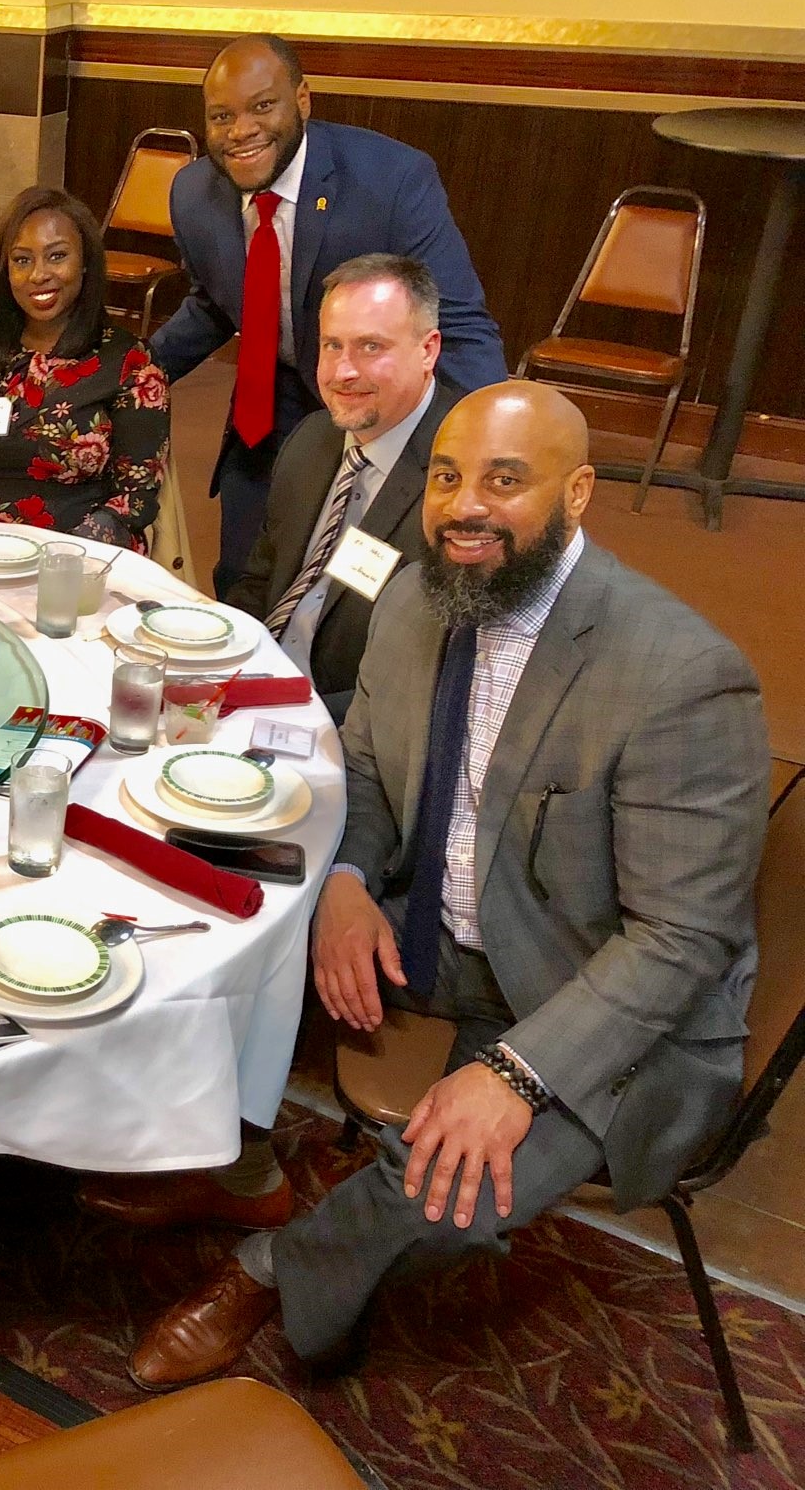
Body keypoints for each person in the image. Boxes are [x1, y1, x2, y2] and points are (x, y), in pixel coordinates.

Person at [125, 379, 768, 1393]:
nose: (463, 504)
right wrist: (339, 879)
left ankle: (266, 1270)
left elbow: (679, 942)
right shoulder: (422, 598)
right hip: (449, 926)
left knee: (442, 1184)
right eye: (445, 475)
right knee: (219, 923)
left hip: (605, 1005)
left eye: (504, 480)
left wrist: (515, 1074)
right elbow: (371, 772)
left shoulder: (679, 675)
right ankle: (228, 1168)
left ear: (578, 493)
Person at [151, 34, 506, 596]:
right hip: (267, 409)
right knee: (244, 583)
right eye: (222, 116)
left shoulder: (391, 181)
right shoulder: (194, 193)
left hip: (376, 411)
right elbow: (215, 302)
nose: (241, 130)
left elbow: (460, 326)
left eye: (262, 106)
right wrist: (132, 375)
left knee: (354, 597)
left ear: (303, 100)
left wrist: (478, 454)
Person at [221, 254, 462, 723]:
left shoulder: (458, 485)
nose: (342, 372)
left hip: (344, 723)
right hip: (257, 685)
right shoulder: (312, 439)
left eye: (370, 347)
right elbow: (262, 582)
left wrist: (287, 716)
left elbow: (430, 680)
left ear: (428, 350)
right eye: (332, 346)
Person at [0, 188, 167, 547]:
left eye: (57, 256)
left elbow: (133, 499)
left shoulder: (130, 363)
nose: (39, 275)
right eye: (22, 260)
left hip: (80, 557)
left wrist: (61, 561)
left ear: (84, 262)